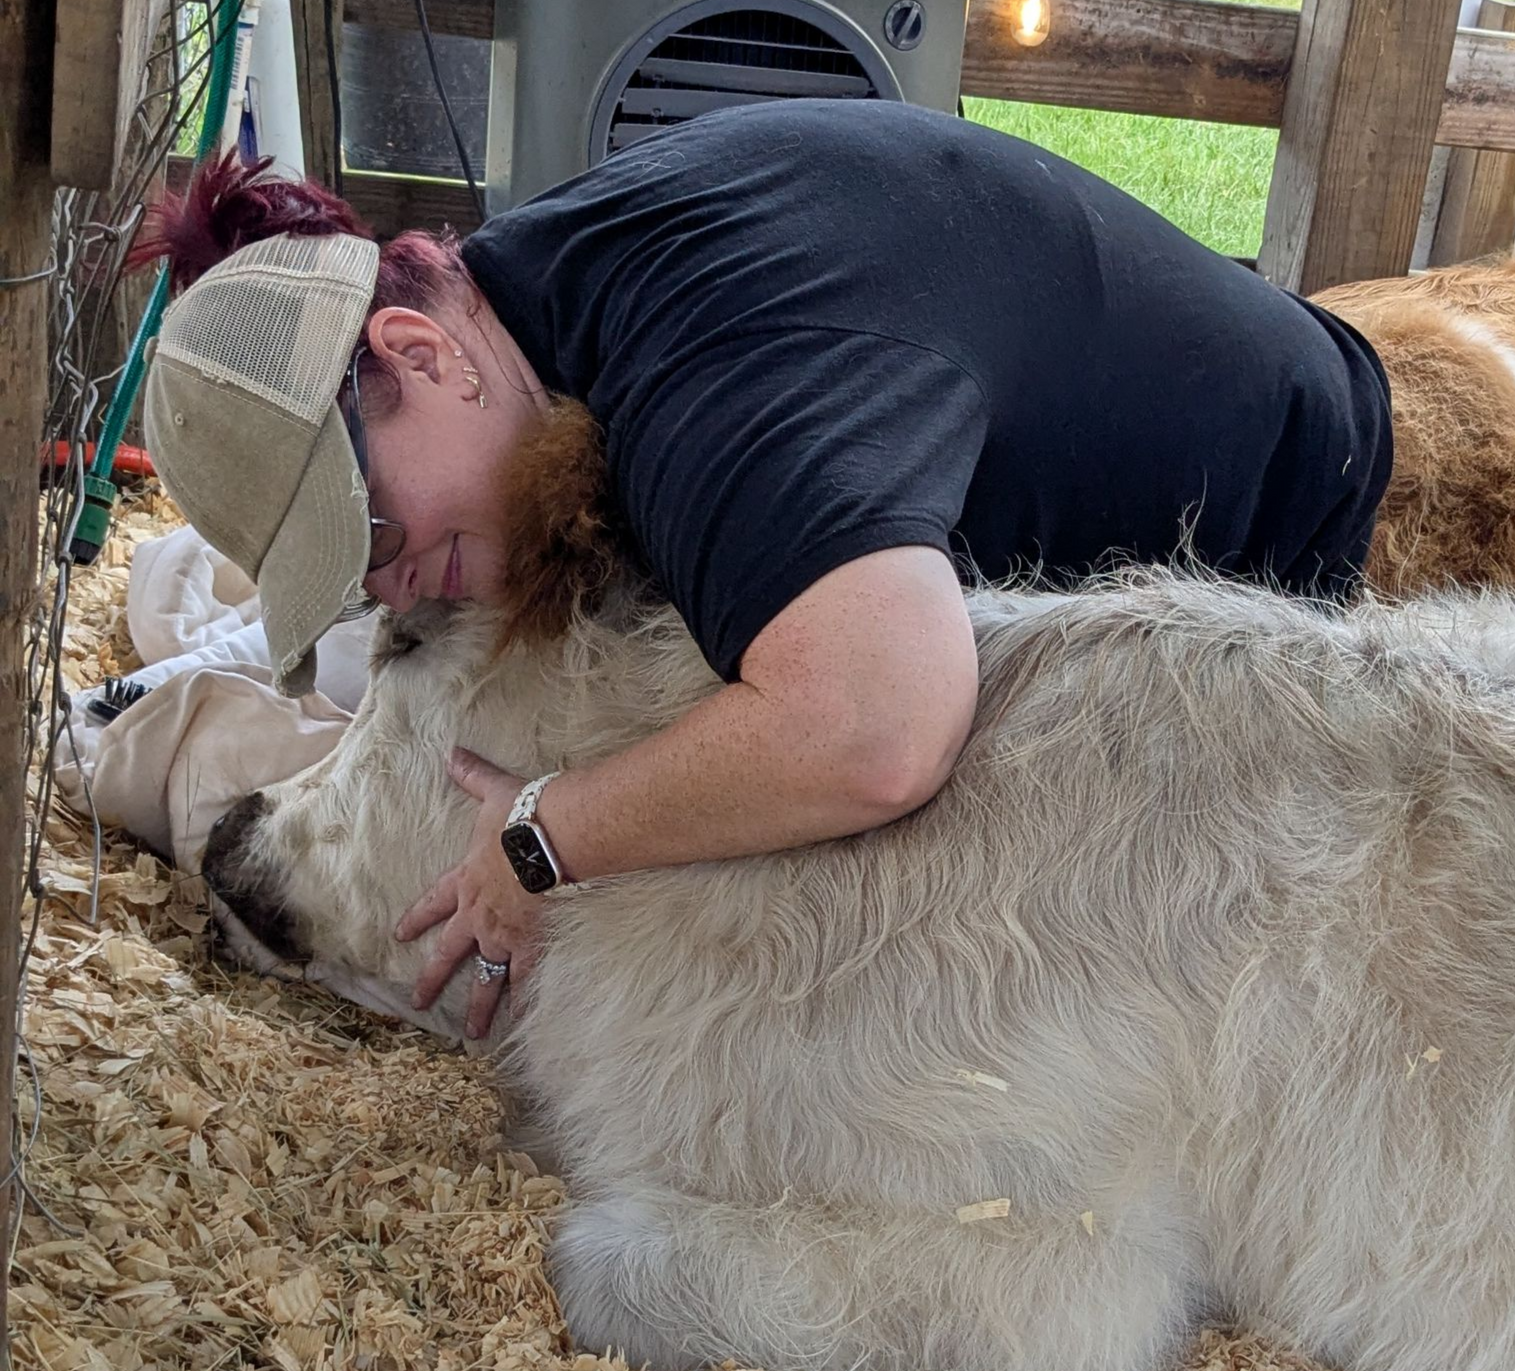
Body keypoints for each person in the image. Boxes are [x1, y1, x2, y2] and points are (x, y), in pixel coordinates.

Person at [134, 97, 1394, 1040]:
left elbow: (878, 728)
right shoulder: (543, 287)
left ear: (418, 353)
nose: (401, 593)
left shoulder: (706, 404)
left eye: (371, 542)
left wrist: (544, 836)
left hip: (1317, 554)